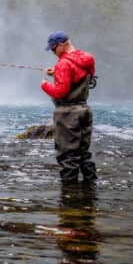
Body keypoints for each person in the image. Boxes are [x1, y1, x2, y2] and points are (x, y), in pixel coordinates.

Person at [41, 31, 97, 184]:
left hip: (68, 114)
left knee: (67, 157)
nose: (53, 52)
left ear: (61, 45)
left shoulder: (63, 64)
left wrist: (45, 85)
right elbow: (79, 76)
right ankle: (90, 190)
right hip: (84, 110)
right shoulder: (87, 59)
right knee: (83, 153)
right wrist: (57, 74)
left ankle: (69, 197)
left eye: (53, 49)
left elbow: (61, 92)